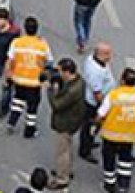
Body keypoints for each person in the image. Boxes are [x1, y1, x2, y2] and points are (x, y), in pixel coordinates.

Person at [97, 68, 135, 193]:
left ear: (122, 80)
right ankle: (124, 184)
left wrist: (97, 124)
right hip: (129, 135)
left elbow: (101, 114)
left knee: (109, 159)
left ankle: (110, 184)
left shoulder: (114, 94)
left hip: (111, 135)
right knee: (125, 159)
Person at [5, 16, 53, 138]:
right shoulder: (42, 44)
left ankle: (12, 122)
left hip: (19, 79)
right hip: (34, 81)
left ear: (25, 29)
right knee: (32, 107)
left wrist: (8, 76)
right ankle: (29, 130)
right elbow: (49, 62)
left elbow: (10, 60)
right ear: (36, 29)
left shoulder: (17, 42)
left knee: (18, 100)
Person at [48, 57, 86, 189]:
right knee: (67, 148)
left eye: (60, 71)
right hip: (73, 120)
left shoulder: (72, 90)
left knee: (62, 151)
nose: (58, 74)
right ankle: (65, 170)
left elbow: (57, 105)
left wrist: (51, 90)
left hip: (66, 122)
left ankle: (62, 178)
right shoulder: (79, 81)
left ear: (67, 72)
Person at [79, 42, 117, 164]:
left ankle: (89, 141)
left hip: (97, 101)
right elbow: (97, 93)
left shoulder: (95, 61)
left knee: (92, 127)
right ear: (100, 54)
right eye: (107, 54)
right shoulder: (95, 71)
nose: (110, 56)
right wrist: (104, 107)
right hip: (94, 104)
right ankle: (85, 150)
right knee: (92, 125)